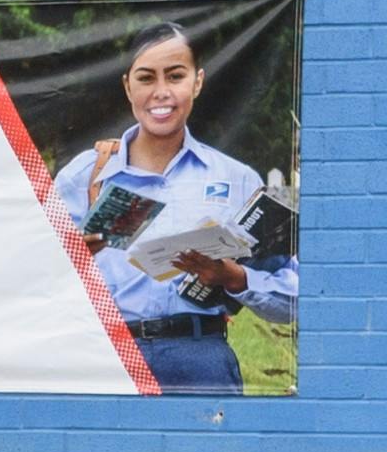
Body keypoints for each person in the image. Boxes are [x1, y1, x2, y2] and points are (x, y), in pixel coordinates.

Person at [46, 22, 298, 397]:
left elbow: (294, 297)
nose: (161, 92)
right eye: (146, 78)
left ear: (197, 82)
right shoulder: (84, 174)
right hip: (104, 356)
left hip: (202, 363)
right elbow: (29, 279)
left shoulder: (237, 179)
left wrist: (235, 279)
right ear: (127, 86)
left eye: (175, 76)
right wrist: (69, 258)